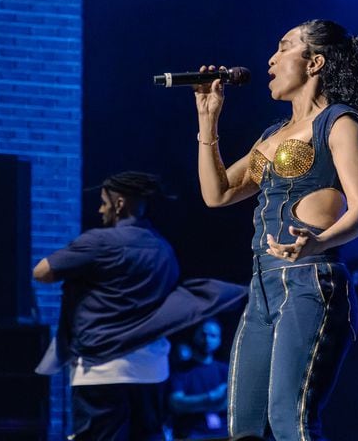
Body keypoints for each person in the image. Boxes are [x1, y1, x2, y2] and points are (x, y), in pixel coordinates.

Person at [193, 19, 358, 440]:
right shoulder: (271, 137)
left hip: (311, 282)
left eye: (284, 47)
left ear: (315, 61)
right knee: (244, 426)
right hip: (262, 289)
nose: (271, 58)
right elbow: (217, 194)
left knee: (291, 419)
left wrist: (319, 241)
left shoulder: (340, 124)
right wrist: (208, 122)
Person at [33, 171, 247, 440]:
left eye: (103, 202)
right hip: (152, 371)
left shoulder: (99, 241)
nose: (100, 209)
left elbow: (42, 271)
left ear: (119, 203)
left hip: (101, 370)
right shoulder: (163, 249)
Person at [168, 318, 229, 440]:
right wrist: (211, 397)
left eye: (213, 335)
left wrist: (192, 405)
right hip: (192, 434)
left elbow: (228, 404)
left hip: (224, 433)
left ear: (219, 340)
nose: (207, 340)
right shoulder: (181, 370)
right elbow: (176, 404)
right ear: (194, 335)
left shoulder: (226, 369)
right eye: (203, 334)